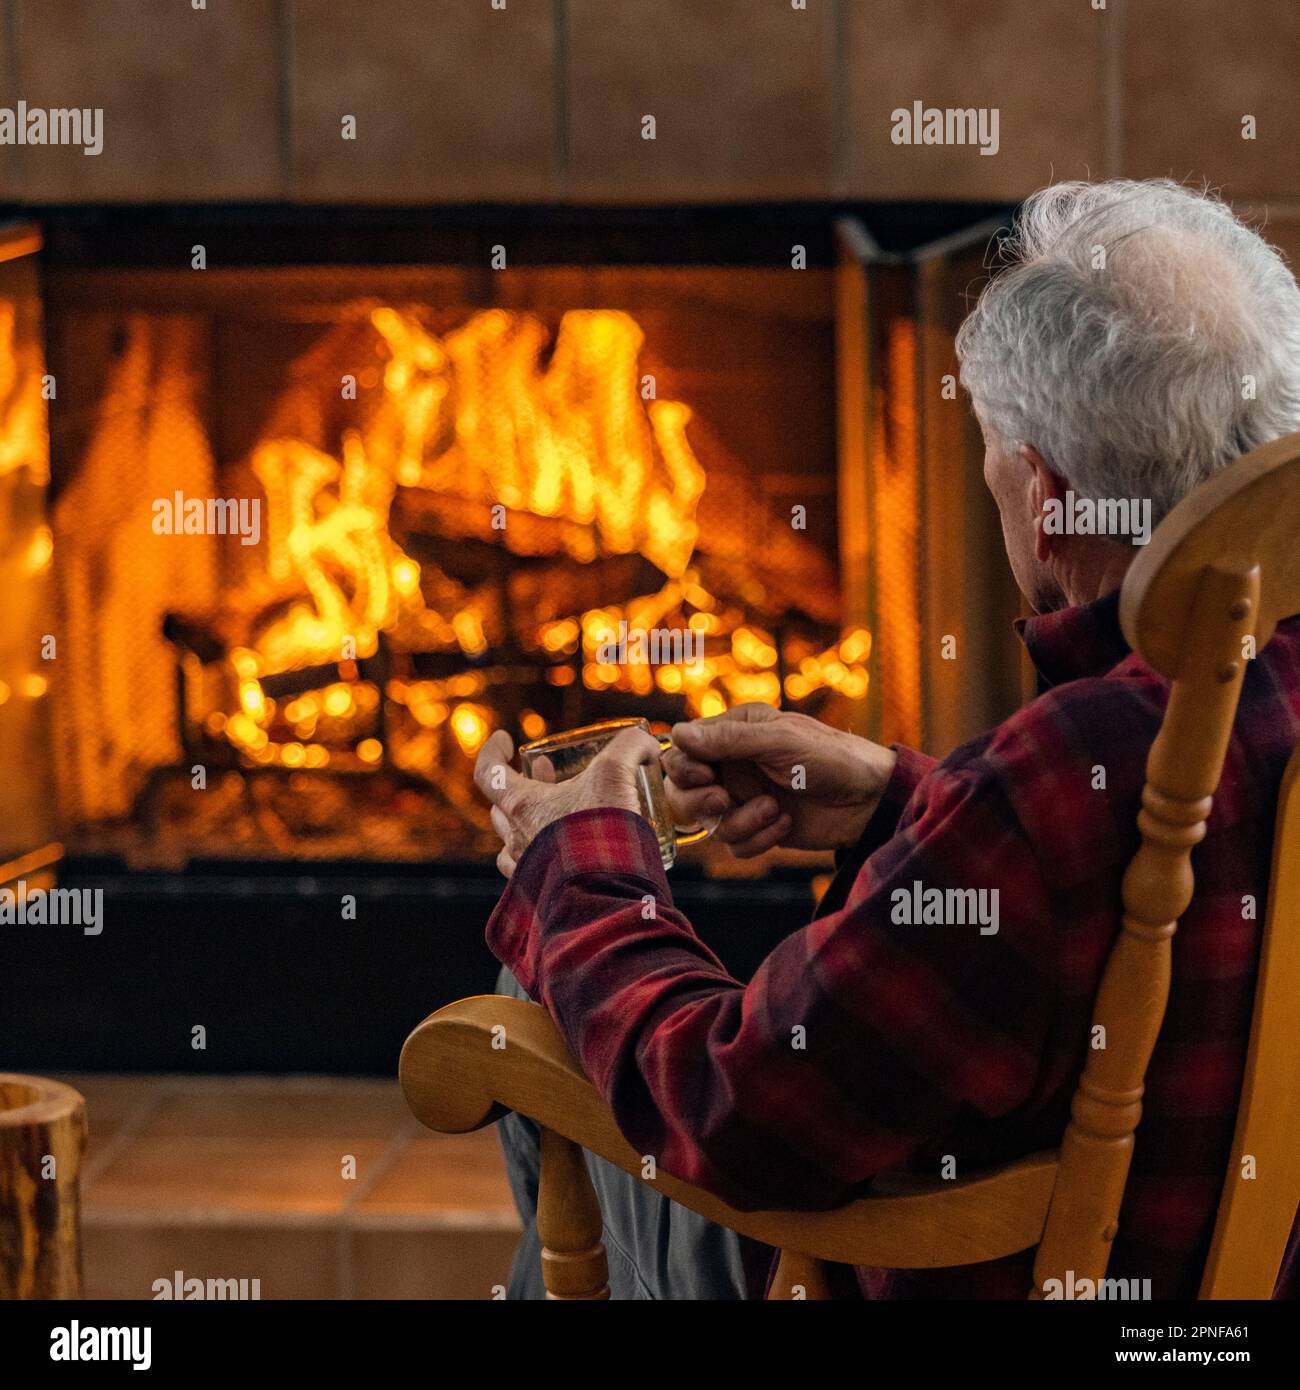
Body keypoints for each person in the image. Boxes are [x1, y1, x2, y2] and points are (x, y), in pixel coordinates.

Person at [475, 179, 1300, 1299]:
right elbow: (1124, 883)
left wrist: (578, 859)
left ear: (1049, 499)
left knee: (541, 1006)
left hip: (961, 1271)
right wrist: (908, 801)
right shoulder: (1192, 727)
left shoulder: (1070, 762)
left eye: (993, 453)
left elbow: (732, 1113)